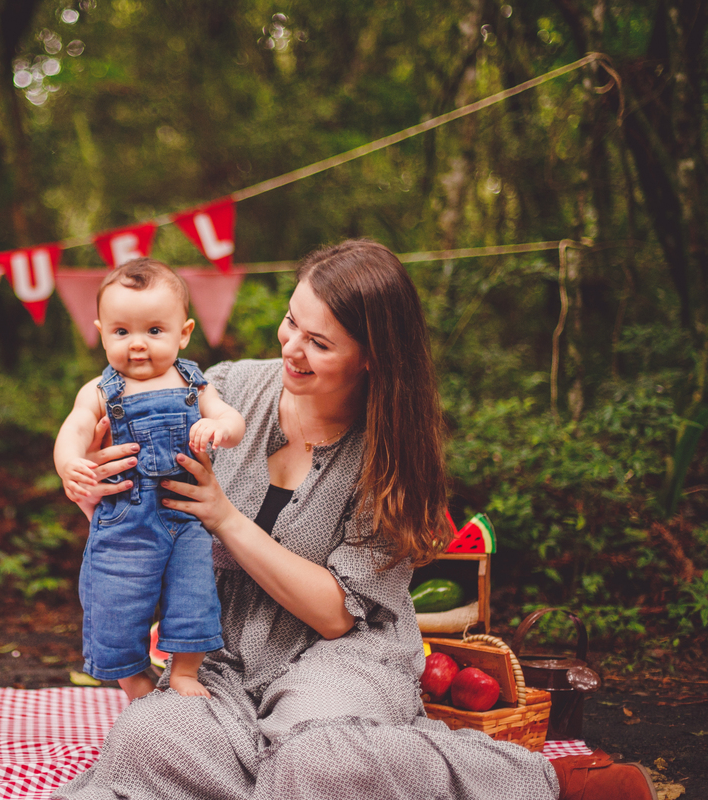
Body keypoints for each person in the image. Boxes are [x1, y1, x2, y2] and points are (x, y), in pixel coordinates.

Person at [54, 240, 656, 800]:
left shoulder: (394, 455)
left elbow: (338, 614)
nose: (292, 348)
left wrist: (224, 516)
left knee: (317, 761)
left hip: (344, 655)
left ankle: (536, 779)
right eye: (292, 321)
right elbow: (144, 511)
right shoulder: (223, 389)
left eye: (320, 342)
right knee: (146, 740)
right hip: (229, 648)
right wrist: (99, 490)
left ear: (371, 357)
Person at [54, 258, 246, 700]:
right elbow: (77, 426)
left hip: (184, 518)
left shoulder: (194, 384)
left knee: (193, 598)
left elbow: (229, 419)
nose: (137, 345)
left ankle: (184, 672)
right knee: (116, 604)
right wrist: (69, 461)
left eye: (154, 331)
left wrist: (221, 430)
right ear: (102, 332)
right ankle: (133, 679)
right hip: (124, 522)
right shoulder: (101, 391)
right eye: (122, 332)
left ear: (184, 332)